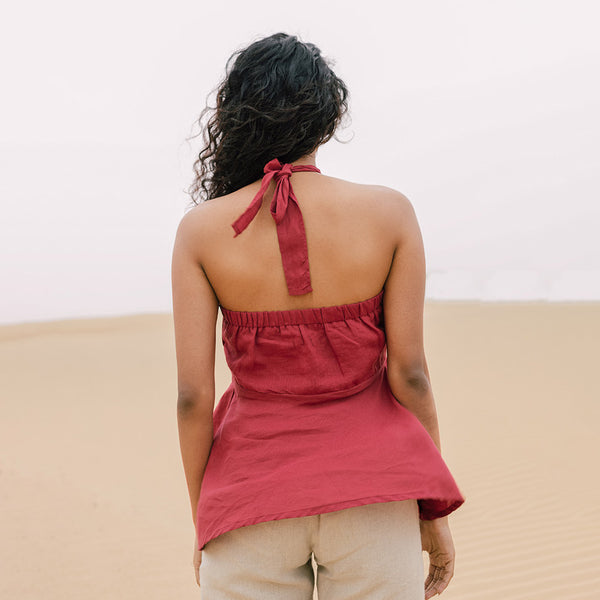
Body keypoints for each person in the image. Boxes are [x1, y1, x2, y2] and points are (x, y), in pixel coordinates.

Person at [171, 32, 465, 600]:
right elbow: (411, 375)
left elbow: (191, 397)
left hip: (250, 498)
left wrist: (207, 517)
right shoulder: (390, 213)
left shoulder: (201, 231)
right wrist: (433, 509)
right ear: (327, 117)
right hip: (375, 496)